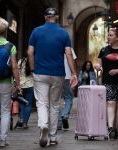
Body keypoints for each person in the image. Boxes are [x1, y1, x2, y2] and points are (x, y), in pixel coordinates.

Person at [27, 7, 78, 147]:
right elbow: (68, 54)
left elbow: (30, 52)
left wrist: (32, 69)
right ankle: (53, 136)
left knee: (42, 103)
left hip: (40, 72)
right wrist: (74, 73)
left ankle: (43, 126)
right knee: (55, 105)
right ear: (56, 17)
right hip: (58, 74)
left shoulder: (36, 31)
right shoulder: (63, 33)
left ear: (45, 17)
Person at [0, 17, 21, 148]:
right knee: (6, 111)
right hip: (6, 82)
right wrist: (17, 84)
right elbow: (14, 67)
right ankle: (3, 140)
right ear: (6, 31)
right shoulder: (11, 46)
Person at [94, 27, 118, 139]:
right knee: (111, 102)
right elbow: (99, 65)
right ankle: (110, 127)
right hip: (108, 81)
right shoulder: (103, 50)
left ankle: (115, 129)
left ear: (117, 37)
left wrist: (117, 71)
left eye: (111, 35)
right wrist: (97, 66)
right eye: (108, 35)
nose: (108, 37)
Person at [57, 48, 77, 130]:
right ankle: (65, 115)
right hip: (67, 76)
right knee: (68, 98)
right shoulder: (69, 48)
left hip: (55, 75)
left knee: (56, 100)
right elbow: (73, 61)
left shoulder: (54, 45)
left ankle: (59, 122)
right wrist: (74, 73)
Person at [17, 57, 35, 129]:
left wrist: (16, 84)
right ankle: (25, 123)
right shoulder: (34, 61)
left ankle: (21, 119)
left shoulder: (20, 61)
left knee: (21, 103)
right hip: (30, 85)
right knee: (28, 104)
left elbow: (17, 73)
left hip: (21, 85)